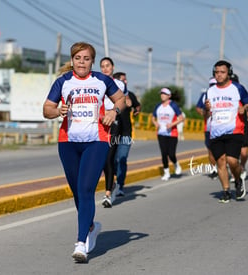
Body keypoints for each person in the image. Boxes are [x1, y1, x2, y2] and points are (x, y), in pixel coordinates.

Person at [43, 42, 125, 263]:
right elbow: (46, 109)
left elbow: (121, 99)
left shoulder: (102, 80)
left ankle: (81, 243)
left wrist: (113, 112)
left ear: (92, 61)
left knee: (86, 188)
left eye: (86, 58)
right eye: (78, 58)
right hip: (68, 142)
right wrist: (56, 110)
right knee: (77, 192)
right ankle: (91, 226)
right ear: (72, 60)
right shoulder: (63, 82)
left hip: (96, 140)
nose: (82, 62)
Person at [204, 60, 248, 203]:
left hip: (234, 130)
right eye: (216, 72)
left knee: (232, 161)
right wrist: (207, 108)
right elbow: (208, 111)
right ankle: (226, 191)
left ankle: (237, 180)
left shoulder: (237, 88)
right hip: (216, 130)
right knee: (221, 162)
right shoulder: (210, 91)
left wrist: (245, 108)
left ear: (229, 73)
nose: (219, 75)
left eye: (222, 72)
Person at [99, 57, 129, 208]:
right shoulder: (96, 82)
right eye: (102, 66)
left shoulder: (119, 84)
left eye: (108, 66)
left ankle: (108, 194)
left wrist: (115, 111)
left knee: (109, 157)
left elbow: (124, 101)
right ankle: (113, 185)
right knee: (103, 159)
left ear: (113, 67)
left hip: (115, 123)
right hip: (99, 124)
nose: (105, 69)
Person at [113, 72, 141, 196]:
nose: (126, 82)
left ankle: (120, 185)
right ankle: (112, 179)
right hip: (112, 133)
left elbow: (138, 106)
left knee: (122, 158)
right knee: (111, 160)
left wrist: (136, 110)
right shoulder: (109, 94)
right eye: (123, 80)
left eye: (126, 80)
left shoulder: (130, 95)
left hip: (126, 133)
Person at [152, 87, 184, 181]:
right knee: (164, 154)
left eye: (164, 94)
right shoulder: (158, 106)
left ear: (169, 96)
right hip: (161, 133)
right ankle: (166, 172)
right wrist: (155, 123)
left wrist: (172, 124)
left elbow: (181, 118)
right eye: (161, 94)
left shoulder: (173, 105)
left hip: (172, 133)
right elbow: (153, 118)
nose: (162, 95)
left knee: (171, 154)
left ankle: (176, 164)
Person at [231, 74, 248, 181]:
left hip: (243, 125)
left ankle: (242, 166)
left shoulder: (241, 91)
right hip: (229, 127)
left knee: (244, 152)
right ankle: (234, 173)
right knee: (232, 153)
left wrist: (245, 109)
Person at [196, 77, 218, 179]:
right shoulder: (205, 95)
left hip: (223, 127)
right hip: (209, 128)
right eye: (211, 85)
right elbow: (198, 108)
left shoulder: (224, 94)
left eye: (215, 85)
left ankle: (223, 166)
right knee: (210, 150)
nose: (213, 87)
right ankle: (214, 170)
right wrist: (204, 113)